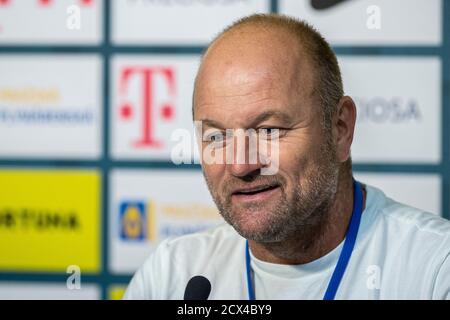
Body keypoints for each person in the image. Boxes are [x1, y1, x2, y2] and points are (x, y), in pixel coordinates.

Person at [124, 14, 450, 300]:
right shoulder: (173, 276)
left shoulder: (435, 268)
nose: (241, 165)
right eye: (217, 137)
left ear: (340, 129)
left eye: (269, 130)